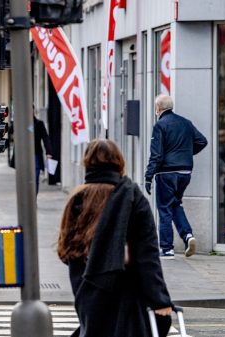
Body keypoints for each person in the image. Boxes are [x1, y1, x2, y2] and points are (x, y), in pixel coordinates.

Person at [58, 139, 174, 337]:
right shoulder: (132, 198)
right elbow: (147, 254)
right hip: (126, 292)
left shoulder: (78, 199)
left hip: (89, 290)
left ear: (87, 163)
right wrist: (159, 299)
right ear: (119, 162)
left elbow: (67, 250)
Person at [145, 95, 207, 259]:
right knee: (175, 204)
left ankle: (167, 249)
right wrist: (186, 154)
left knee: (164, 208)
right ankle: (187, 236)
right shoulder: (186, 122)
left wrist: (148, 176)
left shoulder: (160, 125)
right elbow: (202, 141)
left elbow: (156, 155)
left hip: (167, 173)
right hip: (185, 172)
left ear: (158, 108)